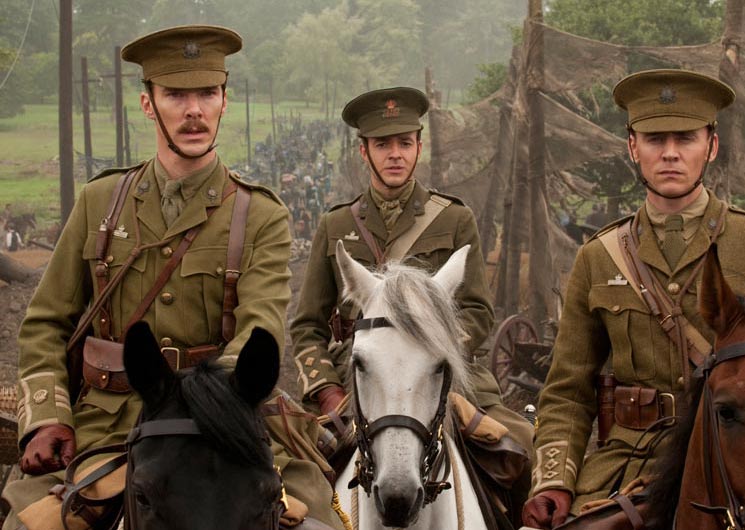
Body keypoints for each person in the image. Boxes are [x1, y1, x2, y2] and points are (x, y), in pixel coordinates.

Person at [3, 25, 343, 530]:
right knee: (31, 522)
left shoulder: (260, 215)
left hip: (228, 424)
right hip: (107, 422)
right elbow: (45, 323)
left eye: (207, 93)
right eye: (176, 95)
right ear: (147, 104)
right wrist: (49, 417)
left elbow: (261, 326)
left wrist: (217, 404)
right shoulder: (100, 202)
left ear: (224, 101)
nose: (194, 110)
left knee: (320, 521)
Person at [522, 69, 745, 528]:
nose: (670, 153)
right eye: (654, 139)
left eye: (685, 138)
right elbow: (568, 391)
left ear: (711, 146)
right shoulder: (598, 257)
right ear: (633, 147)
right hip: (626, 469)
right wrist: (553, 480)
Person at [290, 86, 536, 521]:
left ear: (418, 147)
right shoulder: (336, 225)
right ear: (364, 151)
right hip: (358, 380)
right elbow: (307, 325)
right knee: (292, 477)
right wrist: (328, 391)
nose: (395, 154)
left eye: (405, 143)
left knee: (519, 449)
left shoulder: (454, 219)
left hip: (444, 379)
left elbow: (478, 310)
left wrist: (431, 350)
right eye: (383, 145)